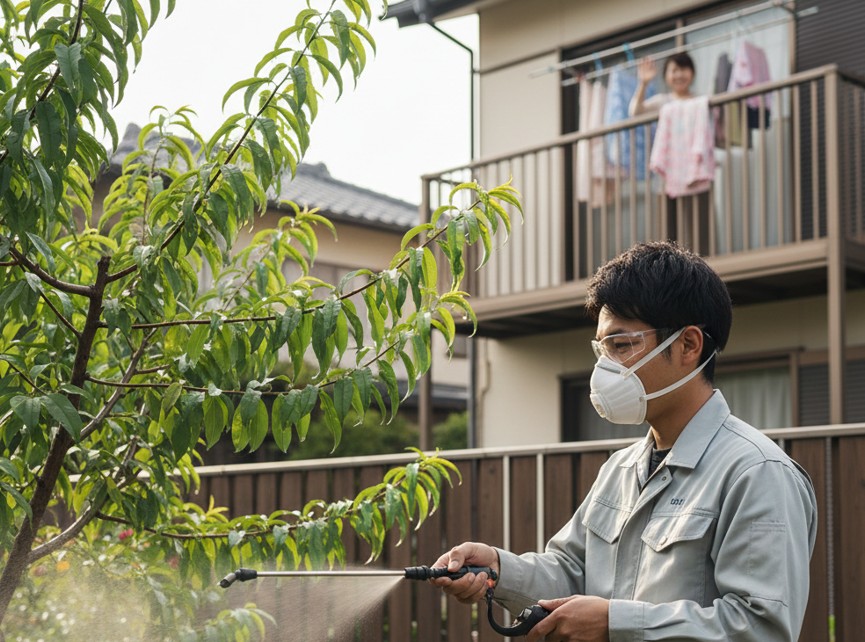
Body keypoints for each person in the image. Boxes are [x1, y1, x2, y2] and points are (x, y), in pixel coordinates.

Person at [430, 241, 818, 642]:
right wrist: (498, 569)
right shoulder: (620, 468)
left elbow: (760, 627)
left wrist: (616, 623)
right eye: (602, 348)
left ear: (688, 345)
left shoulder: (757, 473)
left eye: (622, 345)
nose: (605, 367)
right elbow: (570, 572)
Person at [629, 52, 697, 117]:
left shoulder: (700, 101)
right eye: (674, 70)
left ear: (692, 73)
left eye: (683, 69)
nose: (679, 75)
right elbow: (634, 112)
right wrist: (643, 83)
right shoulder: (662, 101)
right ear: (666, 76)